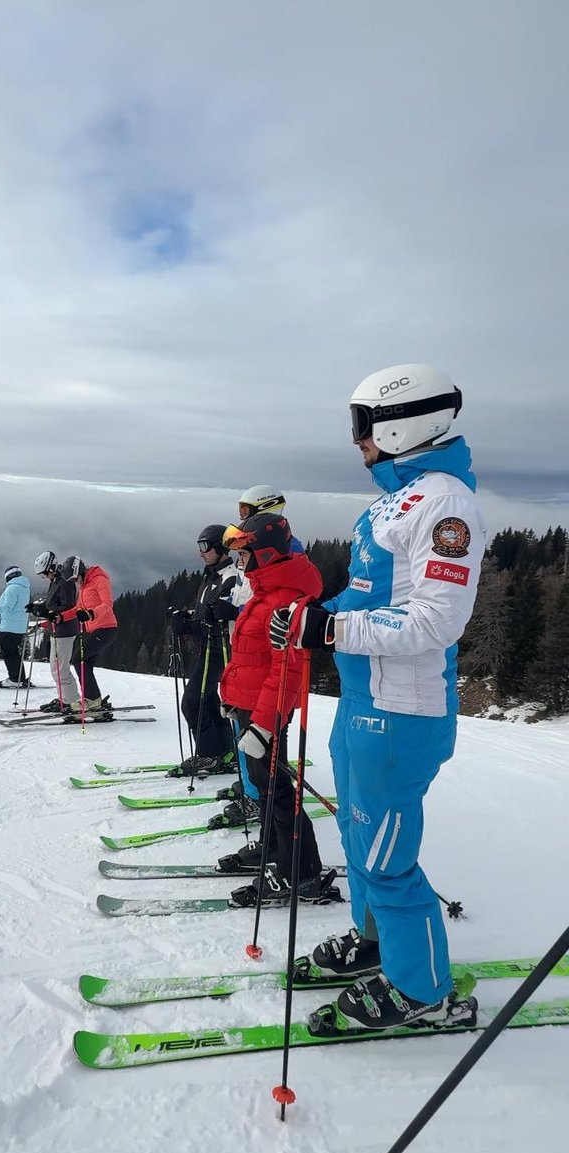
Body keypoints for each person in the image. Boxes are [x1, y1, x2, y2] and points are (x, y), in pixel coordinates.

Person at [270, 363, 486, 1030]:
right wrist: (314, 614)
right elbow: (368, 598)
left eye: (363, 425)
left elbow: (434, 621)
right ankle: (376, 945)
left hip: (403, 714)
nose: (357, 440)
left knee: (388, 861)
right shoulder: (394, 501)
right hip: (364, 706)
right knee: (362, 846)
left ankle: (423, 992)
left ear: (402, 425)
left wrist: (329, 627)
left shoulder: (445, 504)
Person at [215, 513, 328, 906]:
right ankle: (278, 855)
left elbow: (287, 671)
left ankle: (301, 873)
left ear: (263, 553)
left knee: (278, 791)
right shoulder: (266, 590)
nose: (239, 562)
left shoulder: (284, 599)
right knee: (267, 789)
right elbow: (251, 657)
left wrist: (262, 726)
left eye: (243, 554)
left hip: (268, 712)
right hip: (253, 708)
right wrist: (234, 698)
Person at [167, 525, 239, 777]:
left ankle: (208, 755)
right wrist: (185, 619)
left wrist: (194, 623)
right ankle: (225, 752)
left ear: (220, 547)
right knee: (208, 701)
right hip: (206, 648)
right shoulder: (212, 576)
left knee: (192, 702)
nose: (201, 552)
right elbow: (205, 613)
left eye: (204, 546)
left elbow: (222, 615)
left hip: (219, 650)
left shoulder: (232, 577)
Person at [58, 556, 117, 716]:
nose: (75, 581)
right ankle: (93, 700)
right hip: (93, 630)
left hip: (106, 628)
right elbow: (78, 609)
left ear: (80, 571)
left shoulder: (99, 579)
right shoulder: (84, 585)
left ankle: (92, 700)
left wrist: (90, 614)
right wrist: (60, 617)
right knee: (85, 664)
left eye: (75, 577)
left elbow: (107, 604)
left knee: (78, 659)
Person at [28, 550, 80, 715]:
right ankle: (64, 699)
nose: (45, 577)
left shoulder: (65, 582)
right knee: (55, 668)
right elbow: (53, 604)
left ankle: (73, 703)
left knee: (61, 669)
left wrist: (46, 612)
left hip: (65, 629)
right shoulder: (57, 580)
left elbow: (68, 606)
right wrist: (39, 608)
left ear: (50, 568)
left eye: (44, 574)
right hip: (58, 630)